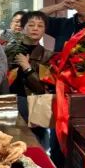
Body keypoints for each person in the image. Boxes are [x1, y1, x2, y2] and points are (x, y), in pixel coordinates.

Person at [9, 11, 53, 147]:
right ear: (23, 28)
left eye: (40, 26)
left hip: (34, 107)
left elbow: (42, 88)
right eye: (31, 25)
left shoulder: (47, 56)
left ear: (44, 30)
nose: (35, 28)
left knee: (36, 147)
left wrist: (27, 67)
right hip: (8, 104)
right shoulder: (8, 50)